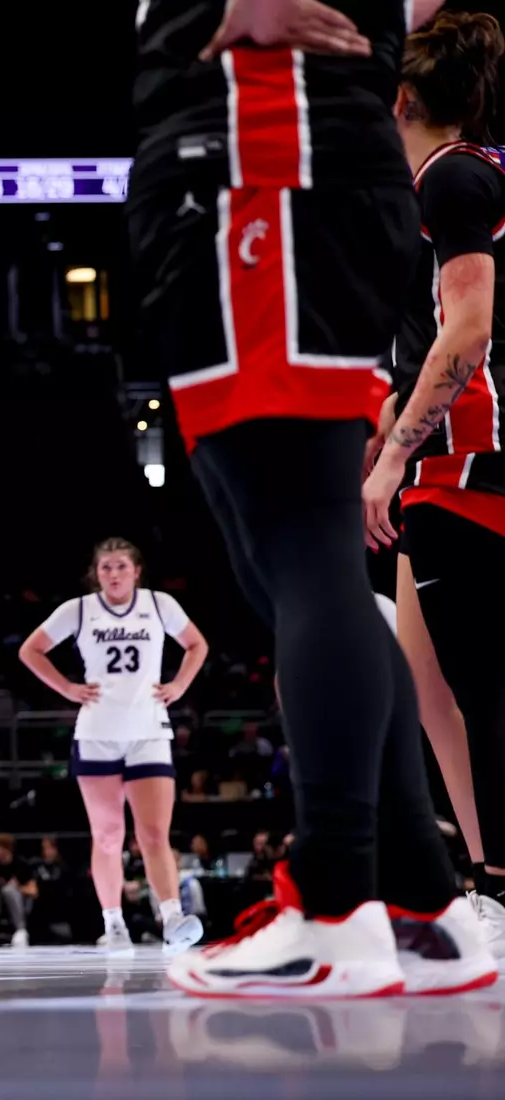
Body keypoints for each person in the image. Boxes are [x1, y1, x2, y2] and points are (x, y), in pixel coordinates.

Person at [131, 0, 489, 997]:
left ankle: (336, 902)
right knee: (280, 553)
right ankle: (421, 897)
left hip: (266, 155)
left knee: (300, 540)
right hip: (256, 161)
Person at [363, 9, 505, 958]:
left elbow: (471, 327)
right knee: (423, 682)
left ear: (404, 101)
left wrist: (390, 456)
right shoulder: (459, 176)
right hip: (444, 459)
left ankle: (501, 881)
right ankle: (484, 875)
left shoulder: (452, 175)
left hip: (469, 464)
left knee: (478, 684)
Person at [18, 538, 209, 955]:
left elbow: (198, 644)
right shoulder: (80, 609)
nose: (113, 574)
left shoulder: (160, 605)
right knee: (107, 835)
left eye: (121, 566)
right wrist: (66, 687)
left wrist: (179, 684)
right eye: (105, 568)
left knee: (154, 833)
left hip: (148, 731)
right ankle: (114, 922)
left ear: (136, 570)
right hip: (98, 732)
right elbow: (30, 650)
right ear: (95, 573)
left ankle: (172, 917)